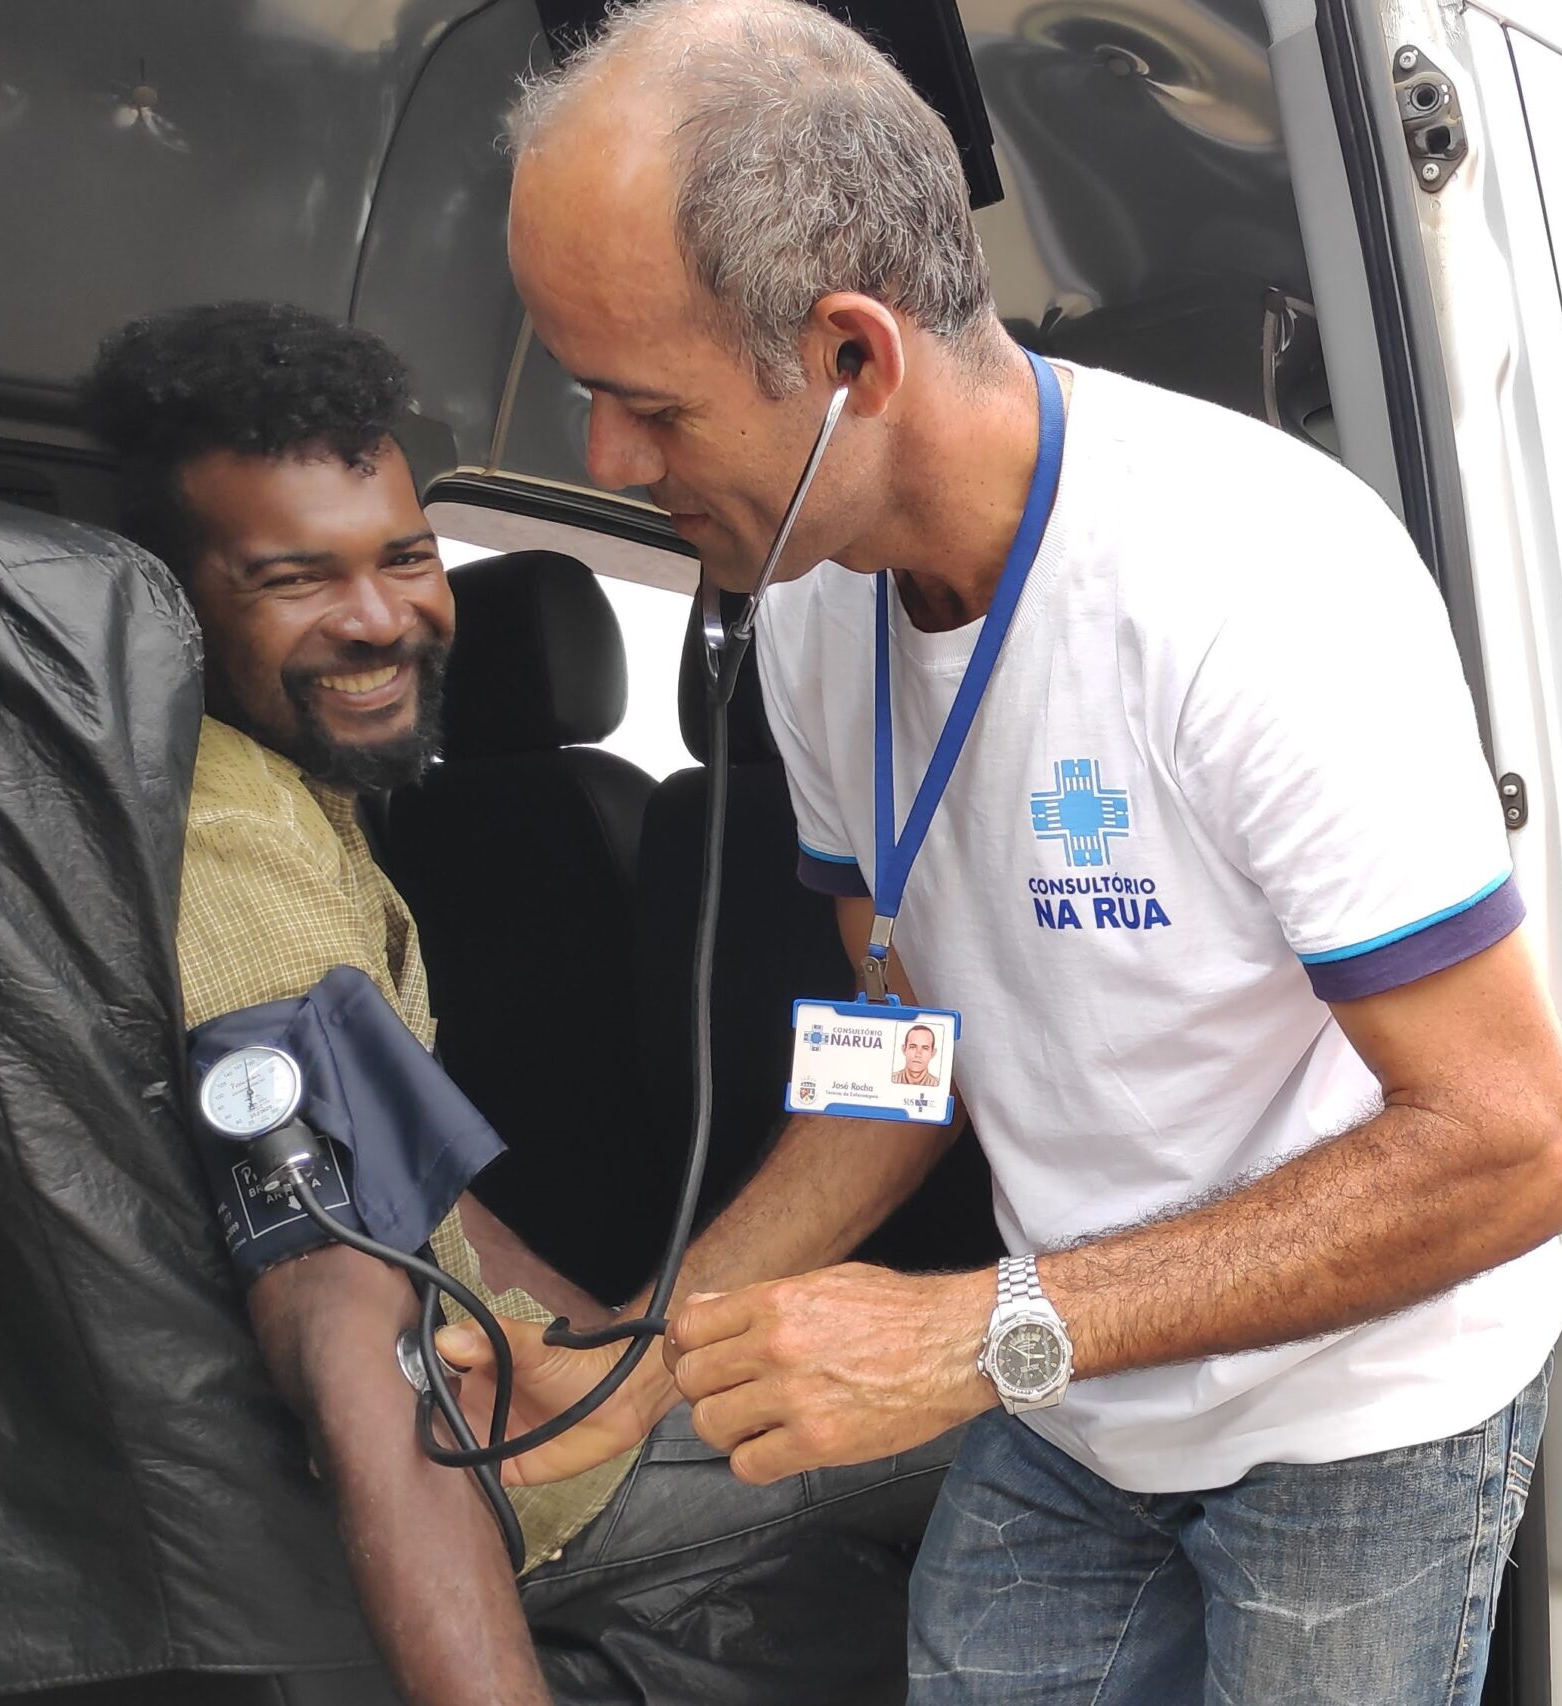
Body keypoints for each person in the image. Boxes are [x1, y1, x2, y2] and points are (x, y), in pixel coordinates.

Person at [445, 3, 1562, 1701]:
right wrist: (639, 1356)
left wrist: (972, 1329)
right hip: (1071, 1389)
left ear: (852, 358)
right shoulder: (823, 610)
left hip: (1362, 1412)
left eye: (645, 408)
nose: (607, 462)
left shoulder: (1253, 586)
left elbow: (1511, 1148)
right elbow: (899, 1047)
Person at [81, 300, 954, 1706]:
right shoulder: (239, 851)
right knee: (1058, 1420)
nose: (377, 616)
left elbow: (911, 1029)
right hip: (500, 1480)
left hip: (550, 1399)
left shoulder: (325, 807)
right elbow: (350, 1314)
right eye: (298, 577)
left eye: (408, 558)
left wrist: (615, 1342)